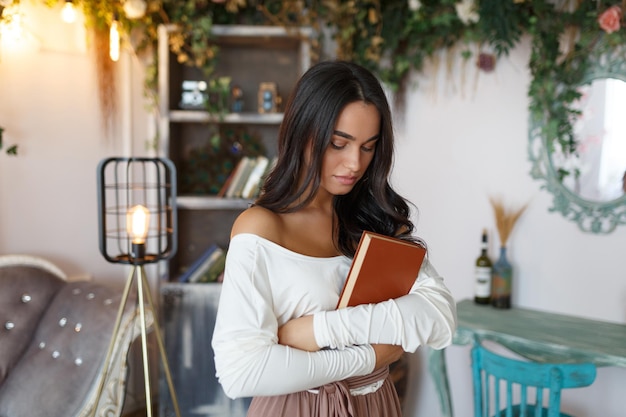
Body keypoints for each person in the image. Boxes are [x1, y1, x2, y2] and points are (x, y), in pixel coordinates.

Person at [211, 60, 457, 417]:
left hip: (377, 405)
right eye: (338, 144)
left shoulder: (377, 221)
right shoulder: (261, 228)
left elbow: (439, 317)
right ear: (302, 133)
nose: (355, 164)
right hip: (296, 408)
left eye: (368, 147)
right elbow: (241, 372)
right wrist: (369, 355)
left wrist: (318, 330)